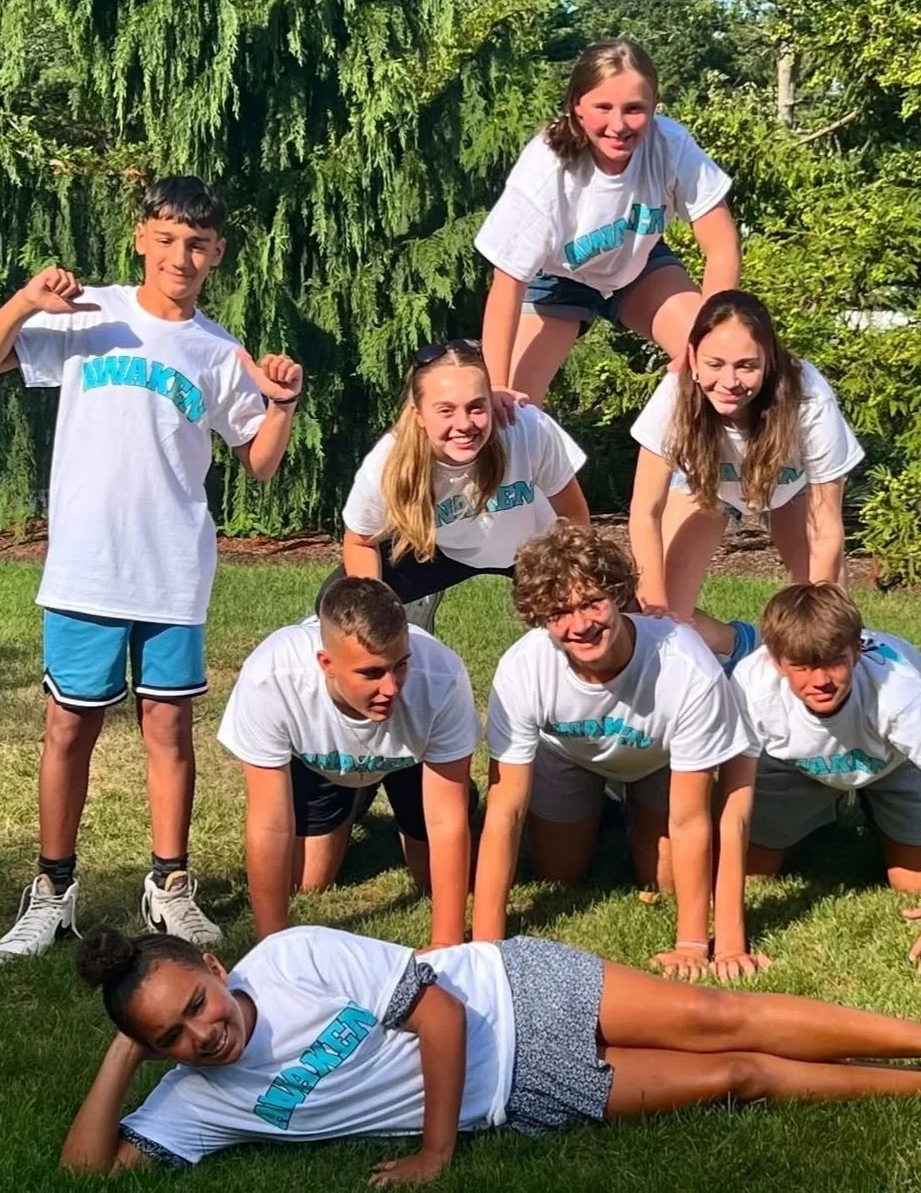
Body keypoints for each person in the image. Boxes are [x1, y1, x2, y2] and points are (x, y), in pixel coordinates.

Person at [0, 176, 303, 962]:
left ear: (218, 253)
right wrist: (26, 301)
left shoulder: (219, 351)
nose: (181, 256)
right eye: (166, 239)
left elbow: (259, 464)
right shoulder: (89, 313)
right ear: (141, 239)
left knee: (168, 728)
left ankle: (170, 886)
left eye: (197, 244)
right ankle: (53, 891)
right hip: (86, 569)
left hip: (172, 571)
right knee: (69, 726)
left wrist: (284, 403)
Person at [63, 923, 921, 1181]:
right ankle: (909, 1089)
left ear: (215, 969)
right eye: (168, 1036)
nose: (202, 1034)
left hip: (510, 992)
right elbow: (82, 1175)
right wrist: (124, 1058)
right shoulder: (190, 1100)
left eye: (196, 1005)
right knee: (736, 1077)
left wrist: (436, 1155)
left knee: (715, 1011)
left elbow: (437, 1013)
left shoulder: (289, 960)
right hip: (521, 1094)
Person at [473, 521, 761, 982]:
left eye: (592, 603)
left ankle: (635, 811)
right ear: (539, 617)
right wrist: (484, 947)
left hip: (657, 759)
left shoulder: (685, 666)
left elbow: (690, 820)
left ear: (619, 596)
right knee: (558, 872)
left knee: (666, 881)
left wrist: (691, 944)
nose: (580, 625)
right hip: (566, 755)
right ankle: (601, 810)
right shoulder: (523, 668)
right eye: (559, 613)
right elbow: (505, 810)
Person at [475, 38, 741, 407]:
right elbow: (507, 283)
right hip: (555, 278)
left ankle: (716, 464)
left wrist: (704, 340)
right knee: (512, 412)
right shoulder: (545, 170)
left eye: (634, 109)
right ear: (576, 106)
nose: (618, 125)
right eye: (603, 107)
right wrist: (498, 386)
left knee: (717, 366)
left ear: (654, 106)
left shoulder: (670, 144)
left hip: (638, 264)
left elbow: (722, 247)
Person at [217, 577, 480, 949]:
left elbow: (446, 821)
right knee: (307, 880)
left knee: (432, 876)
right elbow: (269, 823)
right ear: (326, 663)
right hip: (324, 761)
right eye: (372, 673)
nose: (391, 687)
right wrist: (269, 950)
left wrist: (446, 944)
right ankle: (352, 798)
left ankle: (395, 799)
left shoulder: (441, 675)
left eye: (400, 665)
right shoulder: (271, 676)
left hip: (410, 760)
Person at [720, 582, 921, 971]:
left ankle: (881, 814)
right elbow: (735, 809)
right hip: (797, 763)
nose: (821, 680)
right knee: (755, 875)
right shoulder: (750, 686)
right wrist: (729, 943)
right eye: (802, 666)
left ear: (857, 652)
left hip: (895, 762)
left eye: (833, 662)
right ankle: (820, 817)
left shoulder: (901, 690)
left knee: (910, 885)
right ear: (776, 662)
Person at [629, 289, 864, 620]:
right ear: (693, 358)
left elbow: (825, 526)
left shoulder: (809, 397)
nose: (729, 382)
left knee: (825, 612)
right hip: (702, 485)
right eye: (714, 364)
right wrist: (655, 607)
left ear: (768, 360)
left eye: (746, 366)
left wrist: (818, 620)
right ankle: (733, 644)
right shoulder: (673, 395)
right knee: (664, 620)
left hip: (790, 490)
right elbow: (645, 513)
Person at [331, 338, 588, 632]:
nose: (464, 424)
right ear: (419, 415)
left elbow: (574, 517)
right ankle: (415, 607)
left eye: (476, 407)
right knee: (342, 599)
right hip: (444, 550)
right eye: (446, 411)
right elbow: (361, 541)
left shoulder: (527, 427)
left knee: (597, 616)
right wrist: (375, 614)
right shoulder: (388, 460)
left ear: (492, 400)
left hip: (533, 548)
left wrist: (571, 589)